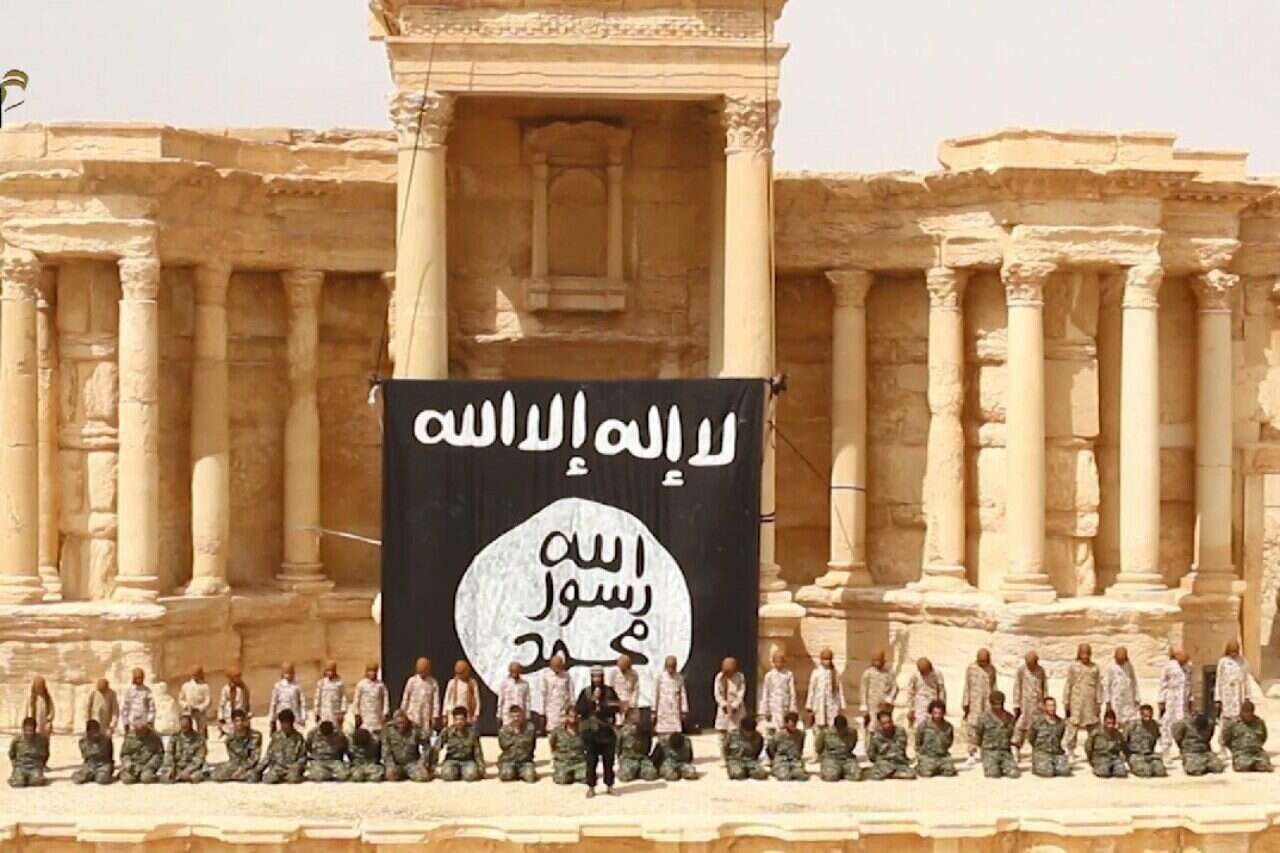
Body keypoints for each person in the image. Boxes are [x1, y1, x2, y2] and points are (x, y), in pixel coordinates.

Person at [575, 666, 621, 797]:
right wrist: (592, 701)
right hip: (590, 733)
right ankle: (591, 787)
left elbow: (616, 707)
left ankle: (609, 785)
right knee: (591, 762)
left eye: (599, 676)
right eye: (594, 677)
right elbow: (579, 709)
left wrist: (603, 705)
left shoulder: (609, 691)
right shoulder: (585, 693)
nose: (597, 679)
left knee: (608, 762)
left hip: (607, 733)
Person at [1215, 640, 1251, 756]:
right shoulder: (1223, 662)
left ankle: (1236, 746)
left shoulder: (1242, 662)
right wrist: (1218, 698)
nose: (1234, 654)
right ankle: (1222, 747)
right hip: (1226, 695)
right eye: (1232, 651)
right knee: (1225, 722)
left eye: (1235, 651)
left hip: (1238, 695)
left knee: (1238, 722)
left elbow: (1246, 680)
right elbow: (1218, 680)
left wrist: (1247, 696)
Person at [1063, 644, 1101, 756]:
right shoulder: (1073, 667)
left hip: (1090, 702)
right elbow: (1068, 684)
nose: (1085, 656)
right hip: (1076, 701)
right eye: (1083, 653)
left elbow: (1098, 685)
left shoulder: (1094, 668)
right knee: (1073, 725)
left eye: (1087, 653)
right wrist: (1066, 701)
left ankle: (1094, 750)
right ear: (1079, 654)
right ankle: (1070, 750)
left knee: (1092, 726)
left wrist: (1099, 702)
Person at [961, 649, 996, 767]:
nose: (983, 663)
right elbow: (967, 687)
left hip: (987, 703)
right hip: (974, 703)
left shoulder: (991, 669)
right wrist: (965, 704)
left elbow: (994, 686)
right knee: (972, 727)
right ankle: (971, 754)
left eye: (985, 661)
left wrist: (995, 702)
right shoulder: (971, 669)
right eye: (981, 661)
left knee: (987, 727)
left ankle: (985, 752)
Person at [806, 648, 845, 751]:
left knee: (832, 728)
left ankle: (830, 749)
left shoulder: (835, 673)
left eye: (828, 659)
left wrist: (842, 705)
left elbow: (839, 690)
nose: (827, 661)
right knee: (819, 728)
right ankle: (818, 749)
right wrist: (809, 705)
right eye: (825, 659)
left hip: (832, 704)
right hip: (819, 704)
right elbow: (811, 689)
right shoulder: (816, 673)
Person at [1157, 648, 1193, 756]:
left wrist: (1191, 699)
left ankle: (1183, 749)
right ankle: (1166, 750)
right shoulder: (1169, 666)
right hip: (1171, 700)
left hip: (1184, 701)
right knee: (1167, 725)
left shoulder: (1189, 666)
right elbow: (1163, 684)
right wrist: (1161, 700)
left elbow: (1190, 683)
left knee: (1184, 725)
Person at [859, 651, 897, 751]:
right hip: (872, 705)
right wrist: (863, 706)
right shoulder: (867, 673)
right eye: (875, 660)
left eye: (879, 660)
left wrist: (889, 699)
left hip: (885, 705)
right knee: (872, 726)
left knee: (886, 725)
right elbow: (863, 690)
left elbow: (894, 687)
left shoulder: (889, 672)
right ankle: (870, 749)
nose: (877, 663)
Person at [975, 691, 1019, 778]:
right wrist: (983, 748)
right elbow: (979, 734)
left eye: (999, 704)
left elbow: (1012, 734)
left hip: (1005, 752)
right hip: (990, 752)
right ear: (991, 703)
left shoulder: (1009, 717)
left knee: (1014, 774)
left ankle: (1004, 766)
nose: (997, 706)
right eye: (995, 704)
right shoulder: (983, 717)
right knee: (993, 774)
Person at [906, 658, 945, 753]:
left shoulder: (937, 673)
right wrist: (911, 708)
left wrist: (942, 704)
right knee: (920, 727)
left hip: (934, 702)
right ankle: (919, 749)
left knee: (935, 725)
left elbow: (941, 689)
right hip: (920, 703)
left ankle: (934, 748)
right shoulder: (915, 675)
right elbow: (910, 691)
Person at [212, 709, 262, 782]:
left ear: (246, 721)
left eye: (242, 720)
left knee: (253, 777)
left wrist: (242, 769)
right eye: (237, 721)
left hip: (250, 766)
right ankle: (238, 776)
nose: (239, 723)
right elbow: (233, 759)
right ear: (233, 722)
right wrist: (236, 769)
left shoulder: (255, 736)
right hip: (236, 765)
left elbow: (254, 758)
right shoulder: (230, 739)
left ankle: (238, 776)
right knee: (216, 775)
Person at [381, 709, 432, 782]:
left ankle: (410, 773)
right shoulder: (388, 729)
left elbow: (427, 746)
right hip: (396, 764)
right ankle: (403, 774)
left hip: (412, 763)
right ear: (394, 721)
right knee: (391, 775)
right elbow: (385, 750)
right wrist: (390, 765)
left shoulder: (415, 728)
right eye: (398, 723)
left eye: (403, 722)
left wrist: (422, 762)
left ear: (407, 720)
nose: (401, 725)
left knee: (423, 777)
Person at [259, 709, 307, 784]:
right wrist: (258, 769)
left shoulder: (298, 738)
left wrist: (297, 767)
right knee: (268, 779)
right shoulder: (276, 737)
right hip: (278, 768)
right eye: (283, 723)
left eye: (287, 723)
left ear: (292, 723)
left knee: (293, 779)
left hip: (292, 768)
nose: (285, 726)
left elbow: (303, 757)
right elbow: (268, 755)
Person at [1223, 700, 1272, 772]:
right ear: (1241, 712)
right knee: (1242, 766)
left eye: (1250, 713)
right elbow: (1225, 739)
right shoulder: (1232, 723)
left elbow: (1263, 737)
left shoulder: (1259, 722)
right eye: (1246, 712)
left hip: (1257, 752)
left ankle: (1255, 764)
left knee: (1265, 766)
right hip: (1241, 753)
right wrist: (1234, 750)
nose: (1248, 715)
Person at [1011, 650, 1047, 751]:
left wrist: (1046, 702)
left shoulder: (1041, 671)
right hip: (1025, 704)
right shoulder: (1022, 670)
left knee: (1038, 727)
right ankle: (1016, 747)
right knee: (1020, 726)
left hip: (1038, 705)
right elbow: (1017, 687)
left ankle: (1037, 749)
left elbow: (1044, 687)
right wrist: (1016, 704)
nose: (1030, 666)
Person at [438, 706, 485, 782]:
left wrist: (481, 768)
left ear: (466, 719)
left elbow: (478, 751)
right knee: (447, 775)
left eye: (461, 719)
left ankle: (462, 772)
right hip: (451, 760)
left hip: (468, 760)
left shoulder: (472, 732)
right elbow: (436, 748)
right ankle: (456, 772)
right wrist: (430, 766)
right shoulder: (447, 732)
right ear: (453, 720)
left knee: (471, 776)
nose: (459, 722)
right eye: (456, 719)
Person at [713, 657, 747, 757]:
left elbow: (741, 692)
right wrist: (723, 705)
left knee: (736, 732)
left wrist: (734, 706)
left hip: (736, 708)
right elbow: (717, 694)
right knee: (722, 732)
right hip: (723, 708)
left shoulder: (740, 677)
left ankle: (736, 755)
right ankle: (724, 755)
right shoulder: (719, 677)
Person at [866, 710, 915, 780]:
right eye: (884, 723)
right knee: (875, 775)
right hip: (884, 763)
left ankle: (892, 774)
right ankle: (893, 773)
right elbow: (871, 756)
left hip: (899, 762)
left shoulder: (900, 731)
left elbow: (901, 749)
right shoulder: (875, 736)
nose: (888, 725)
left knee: (911, 774)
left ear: (892, 721)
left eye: (889, 722)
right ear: (880, 724)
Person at [160, 714, 209, 783]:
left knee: (195, 777)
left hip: (192, 768)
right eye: (183, 726)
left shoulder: (199, 739)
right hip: (177, 767)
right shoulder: (175, 737)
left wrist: (188, 770)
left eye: (186, 726)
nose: (184, 729)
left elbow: (199, 758)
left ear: (190, 725)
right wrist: (171, 768)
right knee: (165, 779)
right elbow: (169, 753)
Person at [1028, 697, 1069, 778]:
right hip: (1042, 752)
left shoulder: (1061, 722)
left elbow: (1060, 737)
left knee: (1064, 771)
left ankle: (1053, 764)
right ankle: (1037, 766)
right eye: (1049, 706)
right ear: (1045, 707)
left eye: (1054, 705)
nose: (1052, 708)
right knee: (1048, 773)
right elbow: (1031, 738)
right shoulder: (1038, 722)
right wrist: (1038, 748)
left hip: (1056, 752)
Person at [758, 651, 797, 734]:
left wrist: (792, 706)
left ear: (784, 662)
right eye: (776, 662)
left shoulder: (788, 674)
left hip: (785, 704)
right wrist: (765, 709)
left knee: (784, 726)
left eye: (780, 662)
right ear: (773, 662)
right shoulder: (769, 675)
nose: (778, 664)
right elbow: (765, 692)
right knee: (773, 727)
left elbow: (792, 691)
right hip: (773, 705)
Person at [497, 704, 538, 783]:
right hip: (509, 760)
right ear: (509, 717)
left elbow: (533, 745)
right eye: (513, 716)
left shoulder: (529, 729)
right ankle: (513, 772)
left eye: (518, 716)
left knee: (530, 777)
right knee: (506, 775)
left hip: (525, 761)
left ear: (522, 716)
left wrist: (529, 757)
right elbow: (502, 746)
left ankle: (522, 772)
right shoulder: (504, 731)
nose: (516, 719)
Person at [914, 700, 956, 778]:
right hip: (928, 756)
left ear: (943, 713)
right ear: (931, 713)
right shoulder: (924, 725)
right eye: (935, 713)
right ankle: (921, 766)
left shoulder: (948, 727)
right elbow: (918, 741)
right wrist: (920, 755)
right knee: (926, 774)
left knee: (950, 772)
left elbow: (950, 741)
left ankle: (936, 768)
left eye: (940, 713)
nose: (937, 716)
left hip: (942, 756)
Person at [617, 707, 658, 782]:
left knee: (651, 774)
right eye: (635, 715)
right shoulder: (623, 731)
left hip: (642, 758)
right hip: (628, 759)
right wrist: (621, 759)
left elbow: (649, 745)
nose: (638, 717)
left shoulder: (645, 730)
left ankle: (639, 771)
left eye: (639, 715)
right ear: (630, 716)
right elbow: (618, 747)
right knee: (625, 776)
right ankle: (631, 770)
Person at [653, 655, 689, 741]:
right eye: (669, 666)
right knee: (662, 733)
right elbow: (655, 693)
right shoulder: (660, 677)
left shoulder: (679, 678)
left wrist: (684, 710)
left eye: (672, 666)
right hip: (663, 709)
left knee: (675, 734)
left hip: (674, 710)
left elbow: (683, 694)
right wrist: (654, 710)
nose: (671, 669)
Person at [816, 714, 862, 781]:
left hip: (847, 759)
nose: (841, 730)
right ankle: (834, 771)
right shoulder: (825, 733)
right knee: (830, 777)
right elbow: (818, 748)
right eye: (839, 728)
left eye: (843, 728)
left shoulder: (852, 733)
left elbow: (852, 746)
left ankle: (842, 772)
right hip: (831, 759)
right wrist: (823, 758)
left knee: (856, 776)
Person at [1101, 646, 1140, 726]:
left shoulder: (1129, 666)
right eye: (1119, 659)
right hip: (1116, 699)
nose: (1121, 661)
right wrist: (1108, 702)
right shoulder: (1111, 668)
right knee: (1115, 719)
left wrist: (1137, 697)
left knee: (1129, 719)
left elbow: (1133, 682)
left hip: (1128, 699)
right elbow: (1106, 685)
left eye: (1123, 659)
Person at [1125, 704, 1166, 778]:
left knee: (1160, 771)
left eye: (1150, 715)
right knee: (1146, 772)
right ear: (1141, 714)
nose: (1148, 718)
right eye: (1145, 716)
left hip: (1149, 754)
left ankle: (1149, 766)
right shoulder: (1132, 725)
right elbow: (1124, 741)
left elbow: (1158, 740)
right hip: (1136, 754)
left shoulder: (1154, 725)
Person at [550, 707, 589, 786]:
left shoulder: (583, 730)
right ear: (567, 717)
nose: (573, 719)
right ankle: (564, 773)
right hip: (563, 763)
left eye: (575, 716)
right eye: (571, 716)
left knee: (588, 777)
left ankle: (576, 774)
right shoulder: (557, 731)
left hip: (579, 762)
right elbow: (552, 745)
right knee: (562, 780)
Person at [401, 657, 441, 731]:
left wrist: (435, 716)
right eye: (420, 671)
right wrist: (403, 712)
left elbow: (436, 701)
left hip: (426, 714)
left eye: (424, 671)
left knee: (425, 733)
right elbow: (405, 697)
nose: (422, 673)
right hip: (412, 714)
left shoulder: (433, 682)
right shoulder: (412, 681)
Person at [7, 717, 49, 788]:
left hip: (35, 767)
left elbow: (46, 755)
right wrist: (15, 765)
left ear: (35, 730)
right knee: (18, 784)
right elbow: (12, 754)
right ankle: (15, 777)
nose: (28, 733)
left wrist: (41, 765)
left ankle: (37, 777)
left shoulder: (42, 740)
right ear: (23, 729)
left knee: (37, 782)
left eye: (31, 731)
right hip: (21, 766)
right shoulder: (17, 740)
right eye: (26, 730)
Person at [766, 711, 808, 781]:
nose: (794, 725)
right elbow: (771, 749)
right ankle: (777, 770)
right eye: (791, 724)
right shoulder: (778, 735)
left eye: (795, 723)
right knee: (784, 777)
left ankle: (793, 771)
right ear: (786, 723)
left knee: (801, 776)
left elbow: (801, 747)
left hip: (795, 761)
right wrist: (774, 760)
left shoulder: (801, 734)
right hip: (781, 760)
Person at [1085, 710, 1128, 778]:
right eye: (1108, 723)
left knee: (1121, 773)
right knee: (1103, 773)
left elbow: (1123, 747)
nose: (1110, 725)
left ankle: (1112, 768)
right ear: (1104, 722)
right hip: (1100, 758)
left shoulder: (1118, 734)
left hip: (1114, 758)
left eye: (1112, 723)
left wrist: (1122, 757)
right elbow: (1088, 747)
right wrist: (1091, 760)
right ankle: (1100, 768)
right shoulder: (1096, 733)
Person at [725, 717, 770, 781]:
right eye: (746, 731)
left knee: (762, 774)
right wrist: (728, 761)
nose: (748, 734)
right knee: (738, 774)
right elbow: (725, 749)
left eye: (750, 731)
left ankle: (749, 771)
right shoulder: (732, 735)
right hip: (736, 760)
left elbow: (759, 749)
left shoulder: (758, 737)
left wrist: (754, 760)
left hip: (751, 761)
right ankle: (740, 771)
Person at [72, 719, 115, 785]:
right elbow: (86, 755)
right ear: (88, 731)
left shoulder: (106, 739)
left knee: (102, 780)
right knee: (78, 779)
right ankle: (92, 775)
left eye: (97, 729)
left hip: (103, 765)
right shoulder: (83, 741)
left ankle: (96, 775)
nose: (95, 732)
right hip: (90, 765)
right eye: (93, 730)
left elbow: (108, 755)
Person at [539, 654, 574, 735]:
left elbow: (571, 692)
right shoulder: (546, 676)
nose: (557, 667)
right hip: (551, 708)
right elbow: (543, 694)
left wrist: (572, 706)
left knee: (564, 730)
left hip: (564, 708)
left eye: (559, 665)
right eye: (555, 666)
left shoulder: (566, 676)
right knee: (552, 731)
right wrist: (542, 712)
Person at [353, 662, 390, 736]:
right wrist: (357, 714)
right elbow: (356, 700)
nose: (372, 673)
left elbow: (385, 699)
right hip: (364, 716)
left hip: (377, 716)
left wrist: (385, 712)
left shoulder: (380, 685)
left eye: (374, 671)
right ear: (366, 672)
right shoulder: (361, 684)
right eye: (370, 671)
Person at [268, 663, 306, 733]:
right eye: (286, 672)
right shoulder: (278, 686)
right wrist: (272, 719)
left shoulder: (297, 686)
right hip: (281, 718)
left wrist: (303, 717)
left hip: (295, 717)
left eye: (290, 672)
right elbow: (273, 703)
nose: (288, 675)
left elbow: (302, 703)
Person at [178, 666, 212, 738]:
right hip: (189, 711)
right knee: (188, 729)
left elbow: (208, 700)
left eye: (197, 674)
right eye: (194, 674)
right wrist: (186, 705)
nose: (195, 676)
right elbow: (180, 699)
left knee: (201, 730)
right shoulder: (186, 686)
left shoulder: (205, 686)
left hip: (200, 713)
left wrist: (200, 707)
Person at [497, 662, 532, 728]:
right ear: (510, 671)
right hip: (507, 713)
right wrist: (499, 714)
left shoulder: (524, 684)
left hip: (520, 714)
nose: (515, 673)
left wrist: (527, 715)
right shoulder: (504, 683)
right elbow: (501, 699)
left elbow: (527, 700)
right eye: (513, 671)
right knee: (507, 731)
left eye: (517, 671)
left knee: (518, 731)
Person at [120, 668, 155, 733]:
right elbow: (125, 708)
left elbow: (152, 707)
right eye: (137, 678)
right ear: (134, 678)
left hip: (144, 722)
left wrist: (150, 720)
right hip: (132, 722)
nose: (139, 679)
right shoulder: (129, 691)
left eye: (141, 678)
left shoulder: (147, 691)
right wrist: (125, 723)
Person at [219, 667, 251, 736]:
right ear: (231, 678)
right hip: (230, 716)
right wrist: (221, 717)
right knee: (231, 734)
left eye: (240, 676)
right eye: (236, 677)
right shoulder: (226, 689)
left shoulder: (244, 688)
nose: (239, 678)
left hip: (241, 715)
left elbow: (247, 701)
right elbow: (222, 705)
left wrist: (248, 712)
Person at [313, 661, 346, 727]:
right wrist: (316, 712)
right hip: (323, 713)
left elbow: (343, 698)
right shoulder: (321, 683)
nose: (329, 673)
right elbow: (317, 698)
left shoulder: (339, 683)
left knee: (335, 730)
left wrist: (342, 712)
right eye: (328, 670)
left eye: (331, 670)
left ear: (335, 671)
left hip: (335, 713)